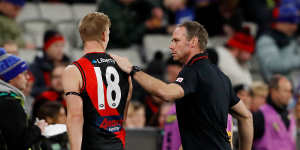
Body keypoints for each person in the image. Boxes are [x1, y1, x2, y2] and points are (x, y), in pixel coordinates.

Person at [111, 21, 253, 150]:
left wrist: (132, 70)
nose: (171, 46)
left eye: (176, 40)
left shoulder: (193, 70)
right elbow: (246, 117)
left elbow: (165, 92)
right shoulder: (221, 76)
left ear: (193, 42)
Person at [62, 12, 132, 150]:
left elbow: (75, 116)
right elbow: (123, 113)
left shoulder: (74, 70)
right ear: (104, 35)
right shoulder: (124, 66)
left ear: (82, 35)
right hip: (117, 144)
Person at [0, 48, 48, 149]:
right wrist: (38, 129)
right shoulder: (9, 103)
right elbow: (18, 144)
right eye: (23, 73)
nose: (27, 77)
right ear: (11, 77)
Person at [252, 74, 296, 150]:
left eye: (290, 91)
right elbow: (244, 142)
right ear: (273, 91)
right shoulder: (260, 115)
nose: (289, 95)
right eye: (285, 91)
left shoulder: (290, 116)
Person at [30, 29, 70, 97]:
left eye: (62, 45)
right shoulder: (36, 67)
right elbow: (32, 90)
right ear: (46, 47)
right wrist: (53, 89)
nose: (60, 49)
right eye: (56, 46)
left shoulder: (68, 65)